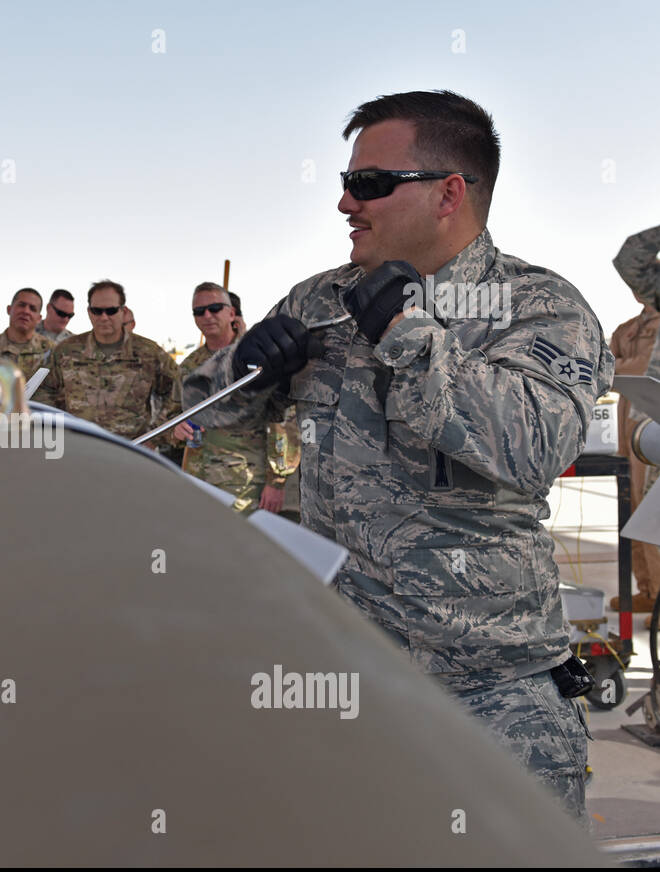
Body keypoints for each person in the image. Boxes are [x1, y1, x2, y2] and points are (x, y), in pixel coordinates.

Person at [187, 90, 611, 819]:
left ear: (450, 193)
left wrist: (406, 331)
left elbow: (530, 444)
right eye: (347, 183)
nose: (348, 204)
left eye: (370, 185)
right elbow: (208, 421)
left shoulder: (541, 307)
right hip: (341, 686)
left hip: (492, 696)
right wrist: (240, 372)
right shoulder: (320, 300)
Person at [179, 283, 284, 514]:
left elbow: (283, 419)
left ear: (232, 313)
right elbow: (176, 414)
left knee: (243, 547)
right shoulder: (190, 364)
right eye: (199, 311)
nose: (207, 316)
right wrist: (177, 429)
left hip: (246, 482)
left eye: (215, 308)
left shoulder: (257, 357)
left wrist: (277, 480)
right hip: (198, 477)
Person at [36, 280, 184, 443]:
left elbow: (177, 392)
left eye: (111, 311)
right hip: (79, 449)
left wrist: (155, 436)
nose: (104, 317)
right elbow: (43, 392)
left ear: (123, 311)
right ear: (89, 312)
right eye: (97, 311)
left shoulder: (148, 352)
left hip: (132, 451)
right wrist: (58, 430)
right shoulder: (66, 351)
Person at [607, 292, 660, 623]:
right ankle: (649, 590)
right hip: (628, 432)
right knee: (631, 511)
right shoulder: (632, 327)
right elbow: (603, 357)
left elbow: (643, 367)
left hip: (651, 432)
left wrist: (610, 368)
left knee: (651, 516)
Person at [0, 287, 55, 379]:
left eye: (32, 309)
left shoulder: (51, 351)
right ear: (9, 309)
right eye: (21, 305)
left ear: (39, 318)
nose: (26, 311)